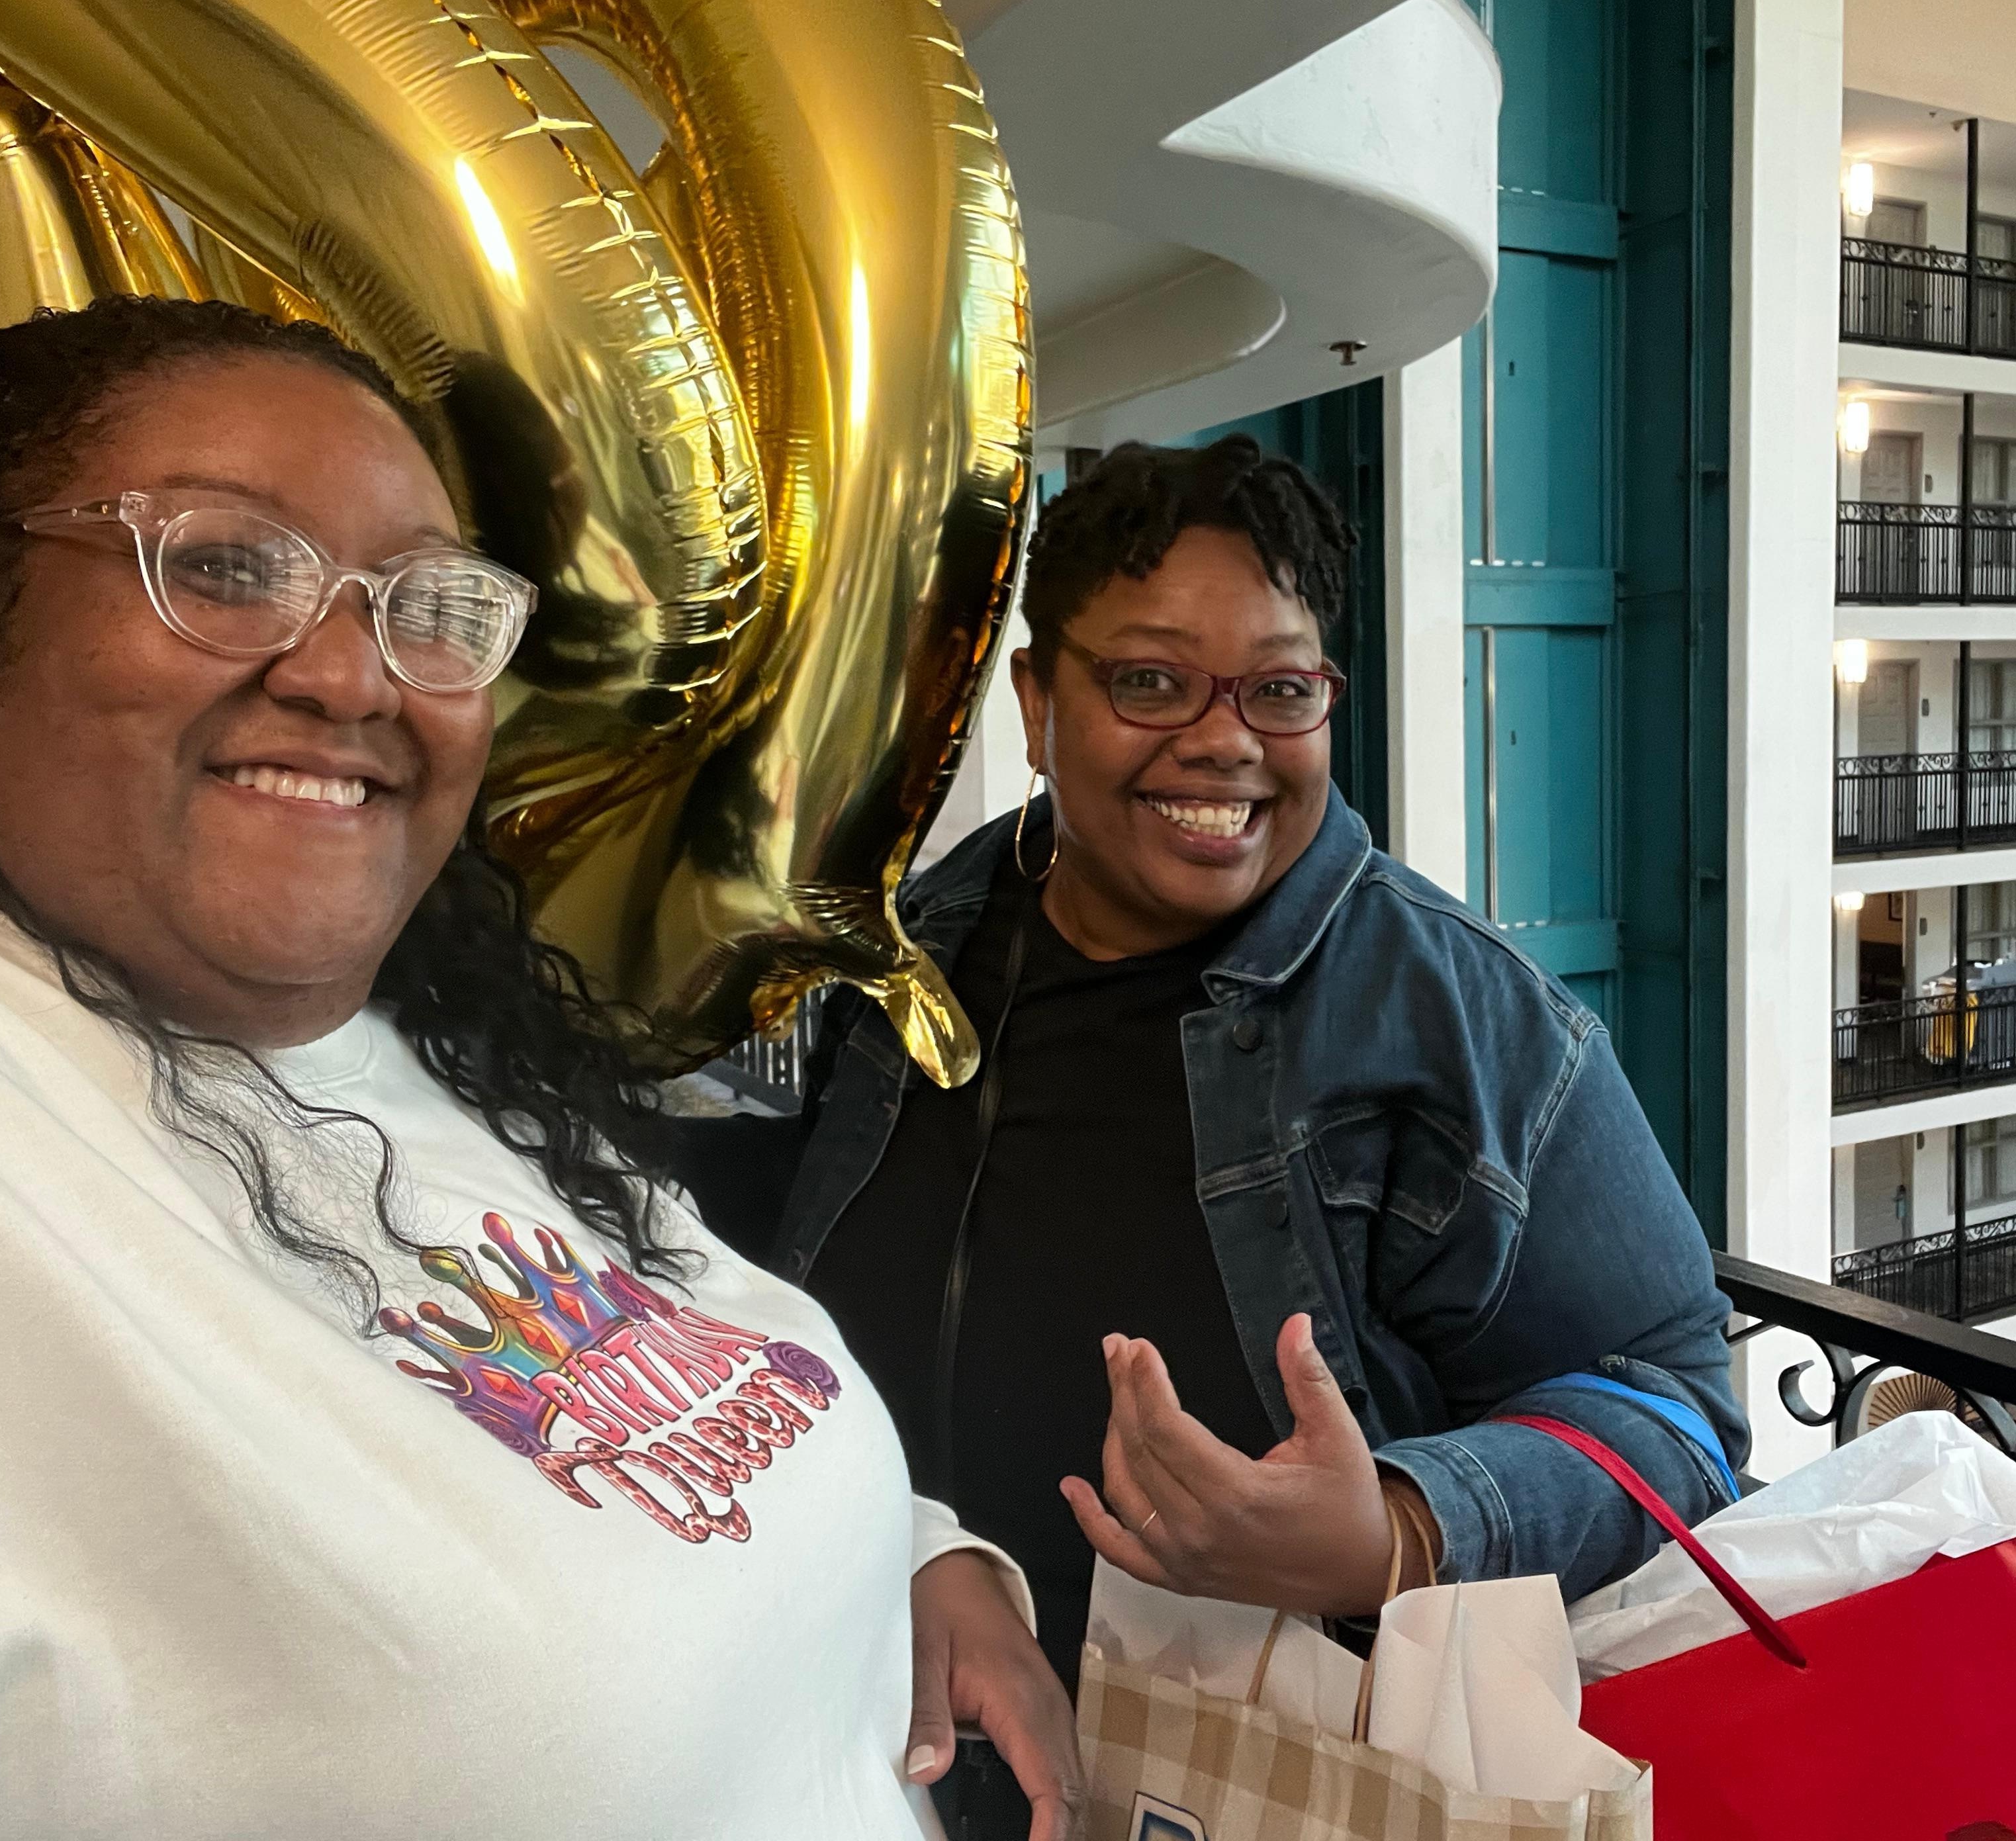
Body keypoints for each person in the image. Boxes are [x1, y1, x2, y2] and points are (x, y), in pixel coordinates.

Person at [0, 298, 1073, 1839]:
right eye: (226, 567)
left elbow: (633, 1405)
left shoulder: (435, 1060)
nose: (356, 679)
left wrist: (898, 1551)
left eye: (425, 606)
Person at [680, 437, 1745, 1840]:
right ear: (1037, 703)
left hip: (1245, 1793)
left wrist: (1396, 1533)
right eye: (1149, 679)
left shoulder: (1469, 1024)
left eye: (1279, 690)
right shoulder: (897, 955)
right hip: (871, 1744)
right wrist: (908, 1546)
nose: (1224, 737)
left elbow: (1681, 1410)